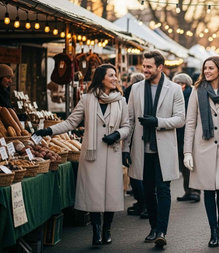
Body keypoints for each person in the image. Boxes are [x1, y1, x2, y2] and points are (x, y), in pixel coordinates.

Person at [35, 64, 130, 247]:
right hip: (92, 154)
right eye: (111, 75)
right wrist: (48, 130)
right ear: (101, 78)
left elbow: (126, 126)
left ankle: (107, 229)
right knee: (94, 193)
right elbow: (71, 122)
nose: (115, 78)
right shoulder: (87, 99)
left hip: (112, 152)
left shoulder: (121, 101)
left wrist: (117, 134)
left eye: (115, 75)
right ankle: (95, 230)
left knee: (110, 192)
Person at [122, 51, 185, 248]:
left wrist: (158, 121)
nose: (145, 70)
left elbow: (180, 119)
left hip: (164, 147)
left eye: (149, 67)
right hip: (142, 147)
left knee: (163, 189)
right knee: (148, 190)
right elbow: (130, 120)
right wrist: (125, 148)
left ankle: (161, 231)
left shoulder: (174, 89)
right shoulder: (135, 89)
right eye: (144, 66)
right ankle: (153, 227)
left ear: (160, 67)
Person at [183, 56, 219, 248]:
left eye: (211, 68)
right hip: (203, 147)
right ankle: (213, 230)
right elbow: (190, 122)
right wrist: (187, 152)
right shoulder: (197, 90)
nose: (207, 71)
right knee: (208, 190)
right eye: (205, 68)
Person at [172, 73, 200, 202]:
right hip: (179, 133)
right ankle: (188, 190)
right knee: (184, 165)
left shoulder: (190, 95)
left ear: (183, 84)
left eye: (177, 83)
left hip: (188, 133)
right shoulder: (178, 95)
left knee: (191, 163)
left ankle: (195, 190)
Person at [124, 72, 148, 218]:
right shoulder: (139, 92)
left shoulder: (129, 92)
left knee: (136, 174)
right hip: (139, 135)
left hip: (134, 136)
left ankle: (143, 203)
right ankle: (143, 203)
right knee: (139, 173)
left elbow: (129, 117)